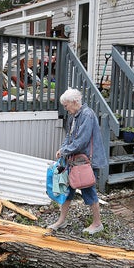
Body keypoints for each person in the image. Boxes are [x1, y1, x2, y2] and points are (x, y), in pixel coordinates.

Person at [48, 88, 107, 234]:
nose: (65, 108)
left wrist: (65, 151)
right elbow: (69, 136)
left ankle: (97, 223)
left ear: (75, 102)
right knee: (68, 190)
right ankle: (61, 221)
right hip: (75, 160)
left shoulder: (87, 115)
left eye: (66, 105)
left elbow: (81, 141)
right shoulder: (74, 115)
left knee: (88, 190)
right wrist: (62, 149)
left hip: (86, 161)